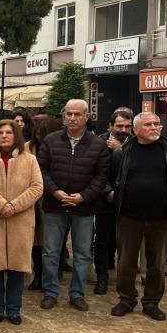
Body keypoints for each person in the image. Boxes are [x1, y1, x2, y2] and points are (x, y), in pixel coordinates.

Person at [37, 99, 110, 312]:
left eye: (77, 114)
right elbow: (41, 170)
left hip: (84, 208)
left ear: (87, 116)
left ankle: (77, 293)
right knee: (50, 252)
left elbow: (101, 176)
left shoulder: (97, 145)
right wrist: (55, 191)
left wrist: (83, 196)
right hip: (54, 205)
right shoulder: (51, 141)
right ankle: (50, 291)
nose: (72, 118)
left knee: (82, 253)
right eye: (68, 113)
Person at [109, 113, 167, 321]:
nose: (155, 127)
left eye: (157, 124)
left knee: (157, 263)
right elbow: (114, 180)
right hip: (129, 217)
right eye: (148, 125)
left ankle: (151, 302)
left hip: (162, 218)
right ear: (136, 130)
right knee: (126, 261)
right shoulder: (122, 152)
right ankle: (126, 299)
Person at [0, 120, 43, 325]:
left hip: (20, 220)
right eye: (1, 133)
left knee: (17, 267)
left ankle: (14, 309)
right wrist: (1, 205)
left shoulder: (30, 160)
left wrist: (13, 206)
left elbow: (37, 187)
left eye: (9, 132)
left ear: (16, 135)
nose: (5, 136)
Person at [94, 110, 132, 292]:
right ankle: (101, 277)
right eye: (119, 126)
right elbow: (94, 171)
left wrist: (120, 149)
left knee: (123, 242)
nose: (123, 130)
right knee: (101, 241)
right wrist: (108, 191)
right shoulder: (98, 142)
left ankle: (123, 280)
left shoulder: (135, 143)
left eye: (127, 126)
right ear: (110, 126)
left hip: (128, 202)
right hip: (104, 199)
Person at [24, 118, 62, 291]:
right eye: (38, 134)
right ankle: (38, 275)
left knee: (52, 242)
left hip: (52, 199)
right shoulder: (27, 148)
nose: (40, 139)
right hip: (32, 201)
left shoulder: (60, 148)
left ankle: (52, 275)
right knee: (35, 241)